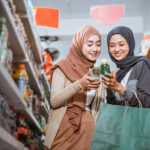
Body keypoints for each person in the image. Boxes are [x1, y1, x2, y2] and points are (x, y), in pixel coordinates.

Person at [44, 25, 105, 150]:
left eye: (98, 44)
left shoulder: (96, 73)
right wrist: (79, 85)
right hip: (63, 132)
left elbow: (98, 108)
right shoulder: (62, 67)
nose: (95, 49)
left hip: (88, 134)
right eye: (89, 44)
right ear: (78, 44)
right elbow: (54, 101)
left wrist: (110, 86)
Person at [102, 26, 150, 107]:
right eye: (112, 45)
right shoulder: (119, 73)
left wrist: (119, 87)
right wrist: (109, 88)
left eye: (121, 44)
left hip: (138, 119)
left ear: (130, 44)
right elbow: (114, 107)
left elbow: (147, 102)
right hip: (123, 119)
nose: (116, 49)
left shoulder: (142, 64)